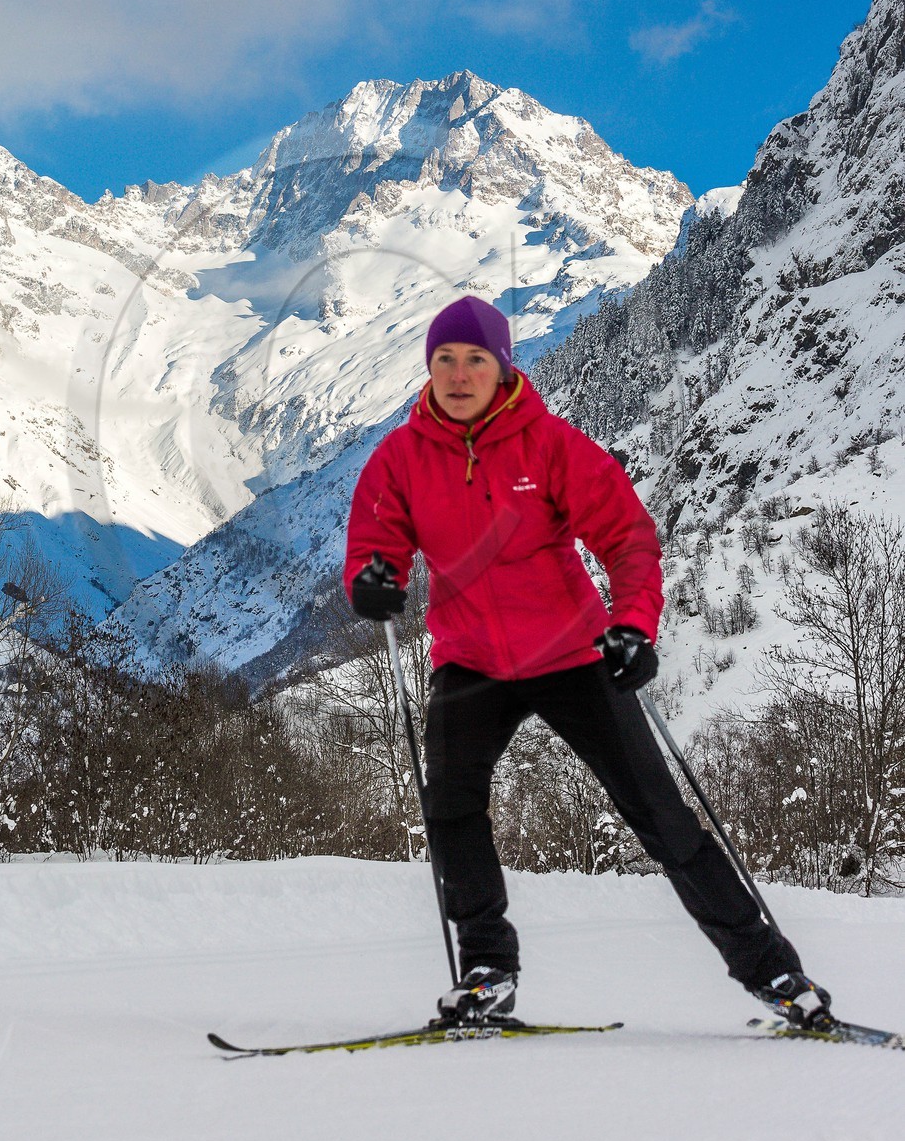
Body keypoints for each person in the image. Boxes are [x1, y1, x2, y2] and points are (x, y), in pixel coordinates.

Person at [344, 294, 831, 1027]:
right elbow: (375, 544)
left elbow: (627, 538)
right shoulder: (401, 457)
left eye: (474, 358)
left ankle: (775, 976)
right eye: (444, 359)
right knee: (450, 808)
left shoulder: (550, 446)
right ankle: (485, 970)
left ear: (502, 367)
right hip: (470, 659)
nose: (457, 373)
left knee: (662, 819)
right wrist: (372, 580)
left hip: (570, 653)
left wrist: (632, 625)